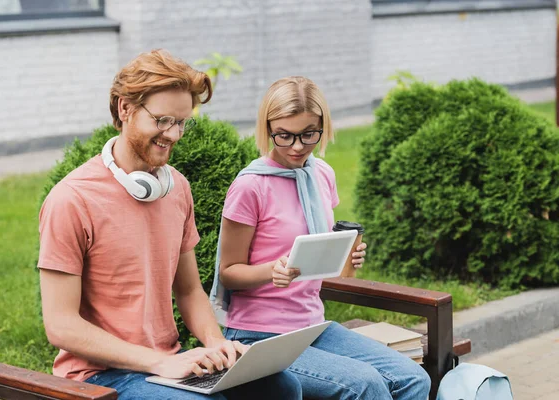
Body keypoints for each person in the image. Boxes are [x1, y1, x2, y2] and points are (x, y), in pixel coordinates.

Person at [37, 49, 302, 400]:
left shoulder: (176, 188)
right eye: (162, 120)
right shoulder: (71, 199)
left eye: (181, 122)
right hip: (100, 377)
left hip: (166, 363)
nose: (174, 134)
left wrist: (218, 345)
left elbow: (190, 291)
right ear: (124, 109)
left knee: (281, 388)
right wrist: (156, 363)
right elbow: (61, 326)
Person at [211, 76, 432, 399]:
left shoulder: (322, 175)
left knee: (413, 378)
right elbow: (228, 273)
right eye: (284, 135)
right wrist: (271, 270)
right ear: (267, 128)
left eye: (308, 134)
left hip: (313, 325)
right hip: (259, 335)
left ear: (323, 127)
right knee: (364, 384)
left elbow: (326, 266)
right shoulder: (251, 186)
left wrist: (347, 258)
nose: (298, 146)